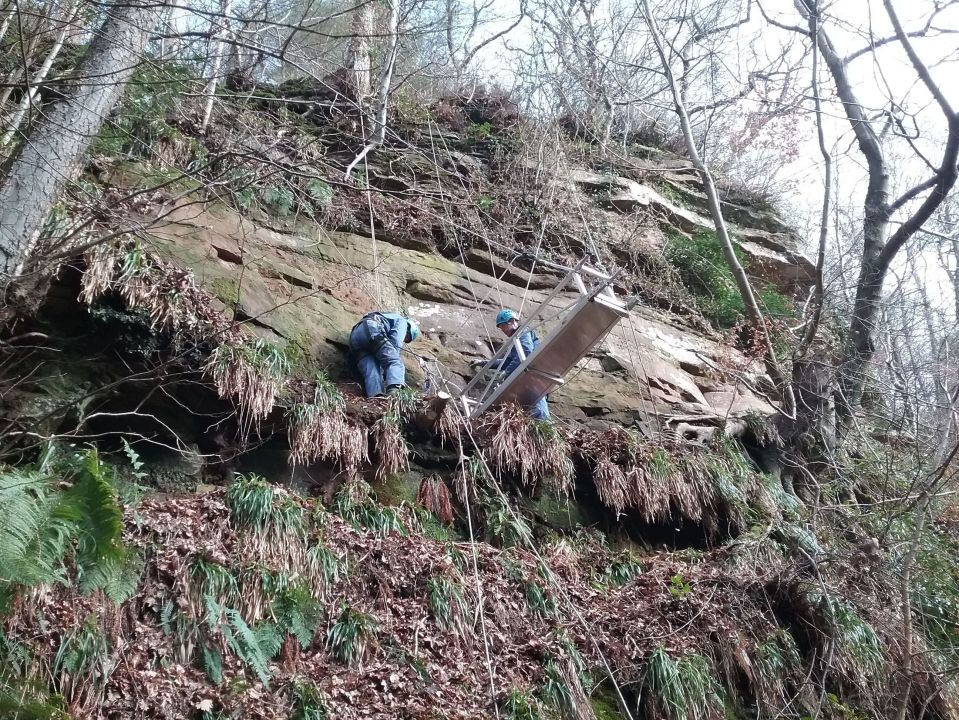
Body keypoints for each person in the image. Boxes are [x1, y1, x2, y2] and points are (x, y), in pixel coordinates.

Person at [477, 308, 550, 420]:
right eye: (500, 327)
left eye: (502, 325)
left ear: (511, 321)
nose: (502, 329)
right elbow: (508, 362)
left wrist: (507, 372)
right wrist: (484, 363)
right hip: (529, 375)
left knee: (538, 405)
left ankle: (545, 429)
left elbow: (526, 352)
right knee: (531, 405)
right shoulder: (515, 341)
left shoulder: (523, 332)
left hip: (534, 375)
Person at [349, 311, 420, 397]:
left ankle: (376, 397)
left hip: (355, 337)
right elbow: (396, 341)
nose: (404, 339)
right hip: (372, 330)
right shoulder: (402, 321)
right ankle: (395, 393)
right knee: (395, 362)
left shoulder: (389, 317)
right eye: (406, 338)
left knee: (372, 369)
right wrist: (389, 371)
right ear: (408, 329)